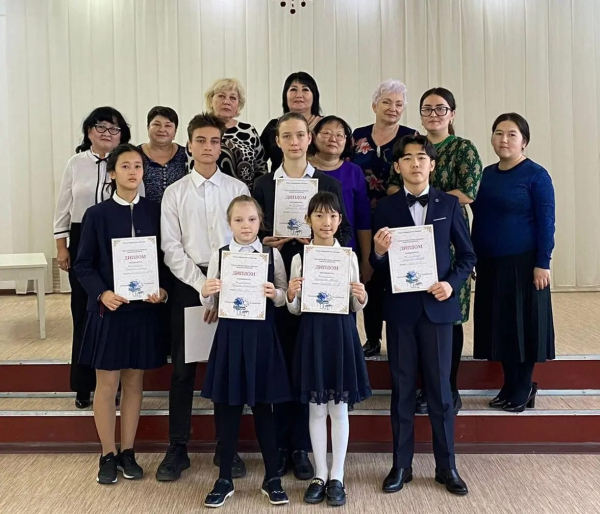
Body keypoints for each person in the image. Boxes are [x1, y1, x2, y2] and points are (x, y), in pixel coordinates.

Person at [371, 135, 476, 496]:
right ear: (397, 166)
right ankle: (401, 465)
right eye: (407, 158)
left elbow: (467, 255)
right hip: (401, 310)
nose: (415, 164)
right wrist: (379, 253)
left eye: (421, 158)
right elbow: (376, 266)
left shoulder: (449, 204)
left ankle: (447, 466)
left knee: (440, 391)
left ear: (432, 165)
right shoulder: (385, 208)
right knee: (401, 389)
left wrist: (451, 284)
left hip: (438, 309)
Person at [253, 112, 352, 481]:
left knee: (311, 369)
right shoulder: (263, 184)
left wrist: (322, 239)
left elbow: (345, 232)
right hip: (281, 289)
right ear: (277, 141)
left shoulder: (328, 183)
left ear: (309, 139)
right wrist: (265, 241)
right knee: (283, 367)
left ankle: (302, 447)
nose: (294, 142)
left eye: (300, 135)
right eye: (287, 136)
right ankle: (282, 445)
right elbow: (251, 232)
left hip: (321, 293)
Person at [157, 113, 250, 483]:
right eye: (201, 140)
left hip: (233, 281)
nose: (208, 147)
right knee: (183, 369)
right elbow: (171, 248)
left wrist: (220, 284)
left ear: (221, 146)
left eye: (214, 141)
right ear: (189, 145)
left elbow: (247, 236)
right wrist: (202, 286)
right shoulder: (175, 192)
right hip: (189, 282)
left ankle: (227, 446)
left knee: (227, 367)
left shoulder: (237, 188)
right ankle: (177, 447)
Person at [73, 144, 167, 484]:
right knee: (107, 382)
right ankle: (107, 453)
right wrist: (102, 293)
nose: (132, 172)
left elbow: (165, 259)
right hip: (109, 309)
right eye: (125, 166)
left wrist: (163, 291)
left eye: (138, 166)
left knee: (134, 381)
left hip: (143, 310)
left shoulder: (155, 211)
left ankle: (128, 451)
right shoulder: (96, 215)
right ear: (112, 173)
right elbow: (83, 265)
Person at [389, 87, 483, 414]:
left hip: (448, 239)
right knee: (415, 315)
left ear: (452, 114)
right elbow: (393, 186)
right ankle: (422, 389)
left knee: (447, 316)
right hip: (408, 243)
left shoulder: (463, 148)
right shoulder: (411, 145)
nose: (433, 115)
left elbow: (468, 192)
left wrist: (432, 199)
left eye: (441, 109)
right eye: (427, 109)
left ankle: (447, 387)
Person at [200, 195, 291, 508]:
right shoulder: (220, 254)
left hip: (262, 337)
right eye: (238, 220)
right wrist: (206, 291)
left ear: (260, 221)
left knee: (264, 408)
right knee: (228, 409)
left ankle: (272, 478)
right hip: (230, 337)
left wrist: (275, 293)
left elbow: (284, 295)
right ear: (229, 223)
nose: (246, 226)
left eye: (252, 219)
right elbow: (209, 301)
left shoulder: (272, 254)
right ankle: (224, 478)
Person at [287, 192, 371, 507]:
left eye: (333, 216)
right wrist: (292, 295)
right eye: (319, 215)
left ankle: (337, 474)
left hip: (340, 334)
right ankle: (319, 473)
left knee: (338, 408)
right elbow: (295, 309)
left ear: (340, 220)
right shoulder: (300, 258)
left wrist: (361, 296)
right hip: (312, 335)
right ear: (308, 220)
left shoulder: (348, 256)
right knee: (316, 409)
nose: (326, 222)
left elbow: (355, 305)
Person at [471, 113, 555, 412]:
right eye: (498, 133)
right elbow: (479, 218)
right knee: (501, 326)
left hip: (525, 264)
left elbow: (547, 222)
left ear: (524, 142)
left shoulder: (536, 175)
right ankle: (509, 385)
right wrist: (474, 256)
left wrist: (543, 262)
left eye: (511, 134)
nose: (503, 139)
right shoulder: (486, 174)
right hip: (490, 263)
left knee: (523, 326)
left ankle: (524, 386)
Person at [53, 106, 133, 409]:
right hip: (81, 238)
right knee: (83, 312)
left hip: (118, 239)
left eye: (114, 129)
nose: (107, 133)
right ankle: (83, 384)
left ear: (122, 135)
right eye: (101, 127)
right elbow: (63, 206)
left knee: (115, 313)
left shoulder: (127, 161)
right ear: (89, 131)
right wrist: (62, 247)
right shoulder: (76, 163)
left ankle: (112, 385)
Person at [352, 79, 416, 358]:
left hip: (398, 216)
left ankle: (401, 337)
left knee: (396, 275)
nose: (393, 108)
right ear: (374, 105)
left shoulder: (411, 137)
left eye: (399, 104)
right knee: (368, 275)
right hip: (362, 217)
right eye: (387, 102)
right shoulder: (357, 136)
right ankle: (372, 337)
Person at [309, 116, 372, 276]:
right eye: (326, 133)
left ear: (346, 141)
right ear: (313, 137)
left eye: (339, 135)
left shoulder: (354, 171)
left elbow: (363, 218)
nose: (333, 139)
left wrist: (366, 260)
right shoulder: (304, 168)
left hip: (346, 248)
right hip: (308, 247)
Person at [204, 78, 268, 190]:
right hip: (206, 195)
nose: (226, 102)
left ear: (238, 105)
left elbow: (261, 168)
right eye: (221, 96)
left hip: (243, 195)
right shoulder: (201, 129)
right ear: (211, 100)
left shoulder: (249, 131)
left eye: (233, 98)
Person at [260, 72, 323, 172]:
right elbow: (258, 160)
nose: (299, 95)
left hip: (321, 181)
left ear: (314, 95)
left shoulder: (326, 126)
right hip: (279, 181)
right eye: (293, 89)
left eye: (305, 89)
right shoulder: (274, 126)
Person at [140, 106, 188, 204]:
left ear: (175, 131)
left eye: (168, 125)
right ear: (148, 128)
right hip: (142, 212)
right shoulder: (135, 154)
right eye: (156, 124)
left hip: (180, 212)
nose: (162, 129)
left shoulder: (187, 155)